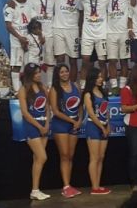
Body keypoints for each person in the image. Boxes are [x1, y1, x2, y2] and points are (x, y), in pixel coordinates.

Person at [18, 63, 51, 200]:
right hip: (32, 126)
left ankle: (35, 189)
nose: (39, 74)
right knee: (42, 157)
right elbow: (25, 113)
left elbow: (48, 107)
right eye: (36, 73)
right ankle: (35, 190)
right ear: (30, 74)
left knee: (37, 159)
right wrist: (39, 126)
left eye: (39, 72)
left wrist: (47, 123)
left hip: (44, 124)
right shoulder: (24, 89)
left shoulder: (43, 87)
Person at [49, 64, 83, 197]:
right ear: (57, 74)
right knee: (64, 155)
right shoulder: (54, 89)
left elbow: (80, 105)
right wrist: (73, 121)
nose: (64, 74)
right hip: (61, 125)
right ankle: (66, 186)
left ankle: (69, 185)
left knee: (70, 156)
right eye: (61, 72)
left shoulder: (76, 86)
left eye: (66, 71)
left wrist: (79, 120)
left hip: (74, 125)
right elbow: (56, 111)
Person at [77, 0, 109, 90]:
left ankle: (103, 85)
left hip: (102, 34)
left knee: (102, 62)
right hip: (87, 34)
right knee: (85, 61)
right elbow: (80, 14)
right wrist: (80, 30)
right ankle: (82, 85)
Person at [50, 0, 80, 83]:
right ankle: (60, 84)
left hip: (73, 30)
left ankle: (72, 85)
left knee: (73, 60)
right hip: (58, 28)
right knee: (60, 59)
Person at [82, 67, 111, 195]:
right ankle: (94, 187)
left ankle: (98, 185)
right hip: (93, 127)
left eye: (101, 77)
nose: (101, 79)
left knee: (101, 157)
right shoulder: (88, 94)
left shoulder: (103, 93)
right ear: (92, 79)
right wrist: (101, 127)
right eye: (98, 77)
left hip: (104, 126)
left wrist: (108, 125)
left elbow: (106, 110)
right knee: (94, 158)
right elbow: (91, 114)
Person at [4, 0, 37, 95]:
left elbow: (33, 20)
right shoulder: (10, 6)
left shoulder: (28, 3)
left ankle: (29, 89)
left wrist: (32, 37)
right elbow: (8, 26)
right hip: (17, 40)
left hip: (27, 39)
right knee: (17, 65)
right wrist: (20, 38)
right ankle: (17, 91)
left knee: (29, 65)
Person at [26, 0, 55, 86]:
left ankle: (49, 85)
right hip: (36, 34)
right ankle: (33, 85)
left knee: (49, 61)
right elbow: (21, 2)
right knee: (34, 61)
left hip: (50, 33)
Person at [106, 0, 132, 95]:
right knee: (112, 61)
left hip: (124, 33)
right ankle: (114, 86)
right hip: (110, 33)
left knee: (124, 61)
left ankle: (122, 86)